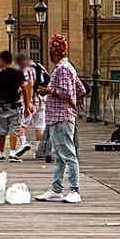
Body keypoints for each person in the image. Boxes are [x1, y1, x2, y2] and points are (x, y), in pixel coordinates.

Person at [36, 33, 87, 204]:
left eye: (51, 49)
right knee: (60, 155)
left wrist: (48, 91)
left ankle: (75, 189)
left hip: (61, 116)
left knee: (68, 154)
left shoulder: (63, 68)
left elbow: (66, 92)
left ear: (54, 52)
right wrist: (76, 103)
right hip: (61, 116)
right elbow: (81, 89)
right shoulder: (66, 67)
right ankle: (56, 189)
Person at [0, 50, 32, 161]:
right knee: (14, 129)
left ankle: (1, 153)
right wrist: (27, 106)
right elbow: (25, 90)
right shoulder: (18, 73)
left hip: (2, 106)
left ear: (2, 60)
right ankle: (12, 153)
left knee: (1, 130)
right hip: (16, 106)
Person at [19, 51, 48, 161]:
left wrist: (29, 102)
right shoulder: (40, 66)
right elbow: (47, 80)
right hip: (42, 99)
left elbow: (29, 85)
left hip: (31, 99)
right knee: (40, 126)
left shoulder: (26, 69)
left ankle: (23, 143)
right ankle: (40, 151)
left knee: (22, 124)